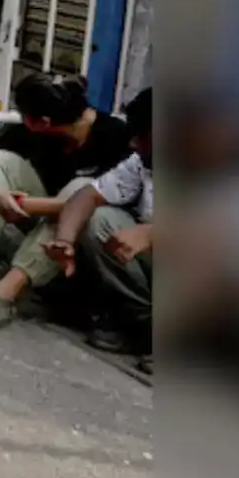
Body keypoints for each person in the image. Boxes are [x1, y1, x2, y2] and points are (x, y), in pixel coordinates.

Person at [0, 72, 133, 328]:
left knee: (80, 190)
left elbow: (96, 202)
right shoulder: (33, 131)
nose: (21, 119)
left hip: (78, 244)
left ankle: (6, 292)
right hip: (31, 218)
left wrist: (23, 205)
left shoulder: (115, 136)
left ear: (44, 122)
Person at [41, 88, 153, 365]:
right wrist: (64, 242)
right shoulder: (143, 161)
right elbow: (87, 196)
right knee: (101, 220)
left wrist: (153, 232)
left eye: (143, 136)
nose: (135, 145)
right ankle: (145, 325)